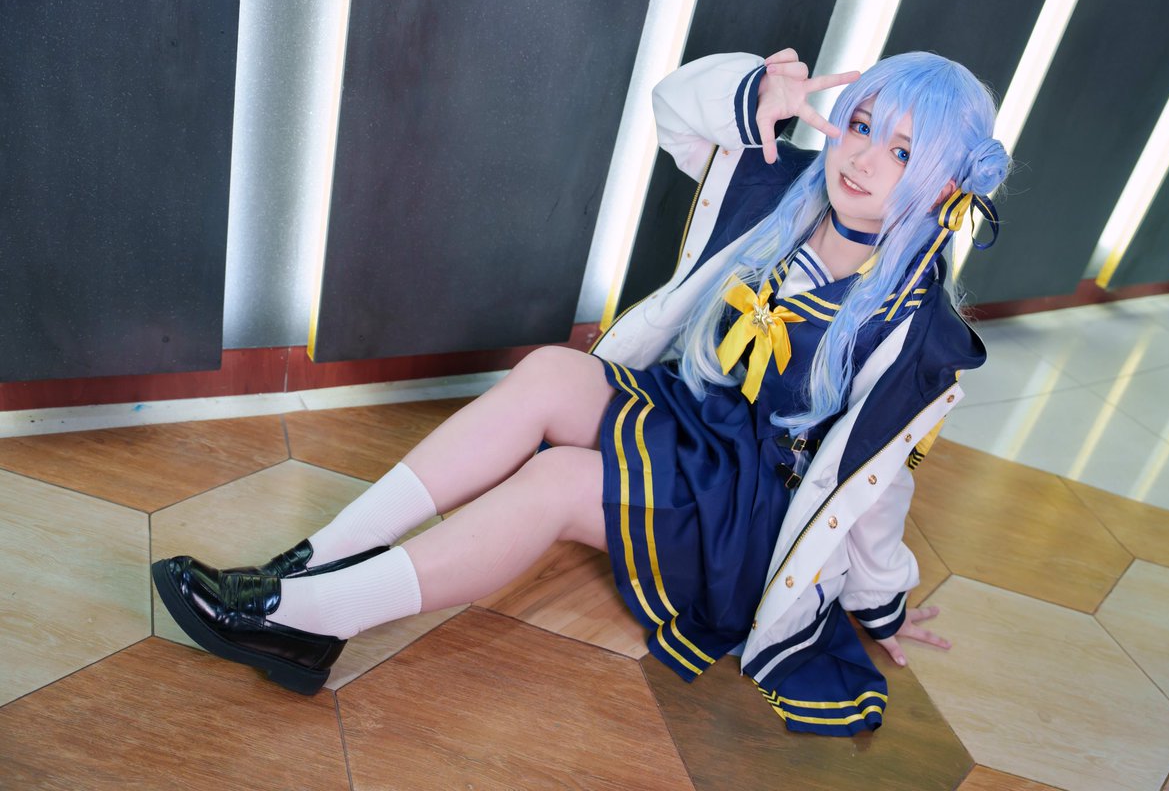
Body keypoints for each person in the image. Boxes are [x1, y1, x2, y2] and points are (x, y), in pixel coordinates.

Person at [153, 47, 1009, 737]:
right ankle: (315, 560)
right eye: (862, 125)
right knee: (550, 371)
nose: (864, 157)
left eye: (904, 151)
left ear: (945, 185)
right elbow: (677, 111)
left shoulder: (914, 326)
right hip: (695, 425)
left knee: (559, 482)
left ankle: (311, 616)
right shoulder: (781, 192)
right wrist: (758, 93)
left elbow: (873, 485)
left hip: (747, 514)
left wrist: (880, 602)